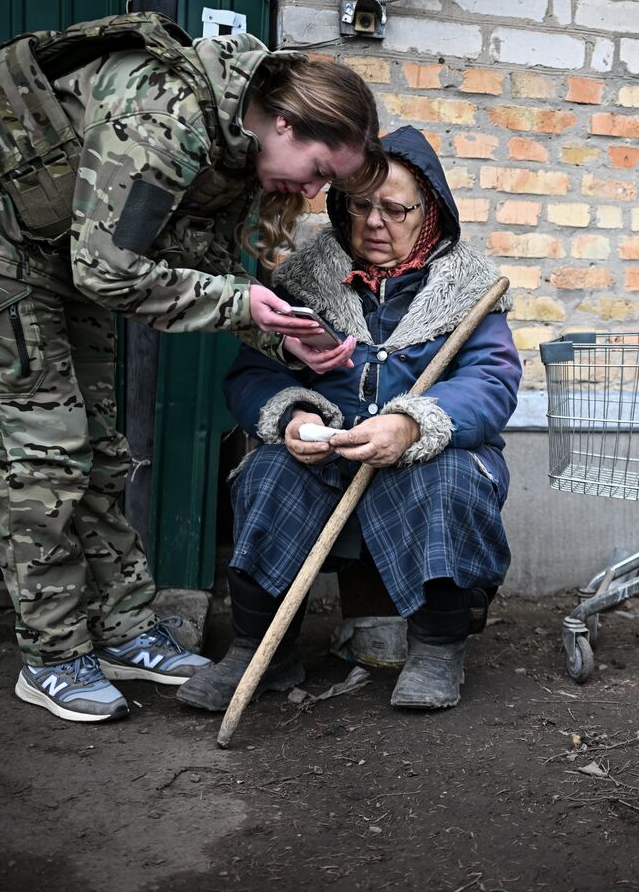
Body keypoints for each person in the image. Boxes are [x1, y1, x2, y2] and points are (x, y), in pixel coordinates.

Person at [0, 13, 383, 723]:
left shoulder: (238, 143)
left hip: (68, 261)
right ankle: (50, 656)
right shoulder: (165, 114)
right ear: (286, 124)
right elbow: (109, 269)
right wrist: (242, 305)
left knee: (102, 452)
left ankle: (125, 630)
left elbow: (199, 265)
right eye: (321, 171)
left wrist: (282, 340)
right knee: (42, 455)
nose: (316, 192)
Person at [178, 125, 521, 713]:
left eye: (394, 208)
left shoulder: (470, 289)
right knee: (266, 474)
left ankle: (437, 649)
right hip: (327, 453)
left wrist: (414, 424)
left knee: (451, 480)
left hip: (421, 455)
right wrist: (292, 413)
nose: (374, 222)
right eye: (360, 205)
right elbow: (255, 371)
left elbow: (491, 383)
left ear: (429, 211)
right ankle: (259, 650)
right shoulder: (305, 278)